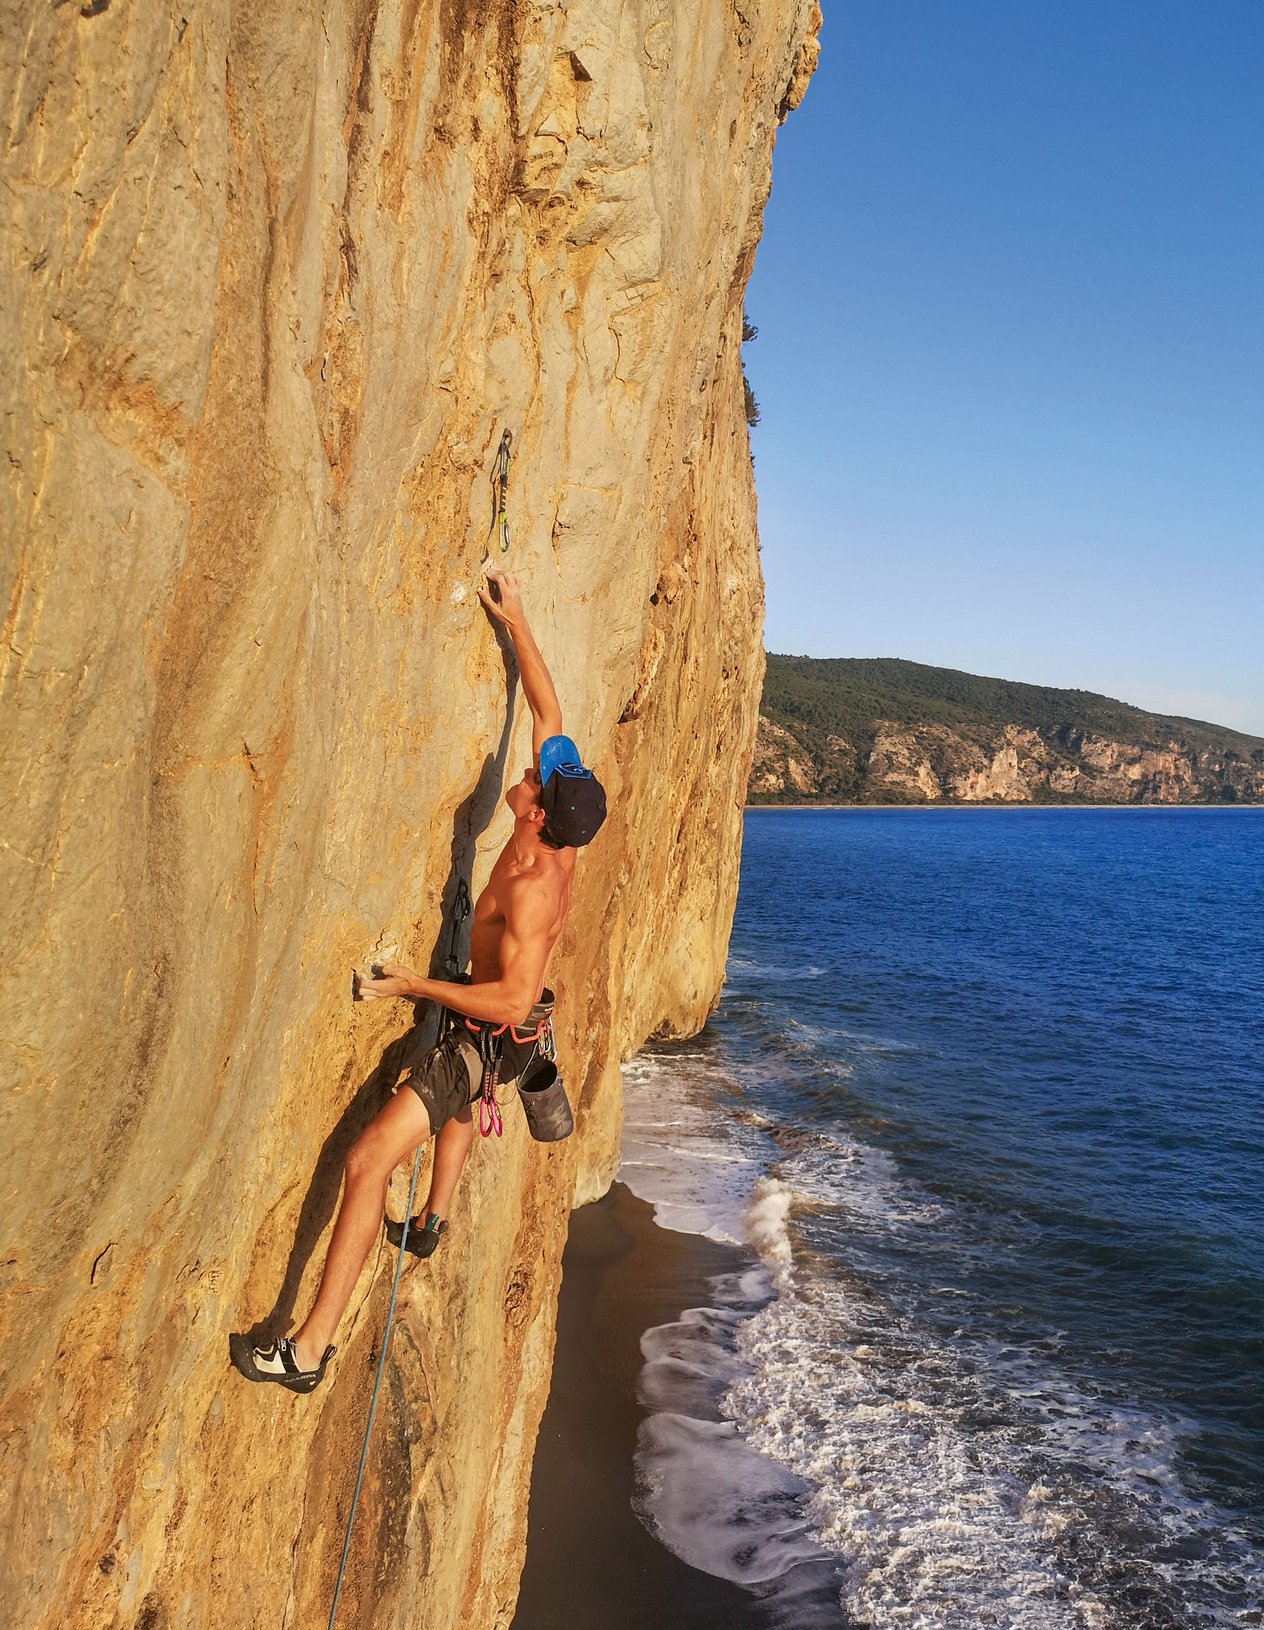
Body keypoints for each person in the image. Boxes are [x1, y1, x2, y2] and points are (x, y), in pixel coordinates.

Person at [230, 569, 606, 1393]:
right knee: (464, 1114)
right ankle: (432, 1219)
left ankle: (305, 1352)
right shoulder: (557, 820)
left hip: (489, 1034)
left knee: (367, 1162)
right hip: (508, 1036)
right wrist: (519, 621)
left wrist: (412, 990)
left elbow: (507, 999)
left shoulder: (539, 893)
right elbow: (550, 712)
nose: (530, 776)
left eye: (536, 786)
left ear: (539, 821)